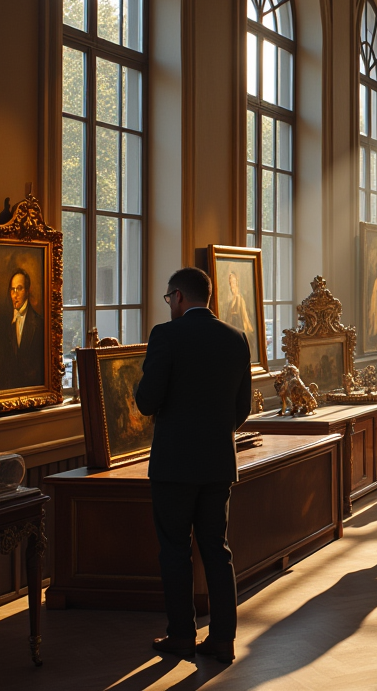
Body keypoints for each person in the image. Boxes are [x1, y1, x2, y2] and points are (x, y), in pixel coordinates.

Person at [134, 267, 252, 663]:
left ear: (179, 297)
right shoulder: (237, 338)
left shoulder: (166, 335)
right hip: (218, 462)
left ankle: (182, 635)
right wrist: (215, 433)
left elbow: (147, 401)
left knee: (174, 551)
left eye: (169, 299)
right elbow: (242, 408)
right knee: (217, 550)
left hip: (173, 466)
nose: (169, 305)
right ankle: (222, 639)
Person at [0, 268, 45, 389]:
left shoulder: (39, 324)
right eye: (12, 289)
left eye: (19, 288)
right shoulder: (3, 323)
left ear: (28, 291)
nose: (15, 294)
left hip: (32, 390)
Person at [222, 270, 257, 363]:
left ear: (236, 282)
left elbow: (244, 318)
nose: (231, 285)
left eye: (233, 282)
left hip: (240, 331)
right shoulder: (230, 301)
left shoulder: (240, 299)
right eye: (230, 282)